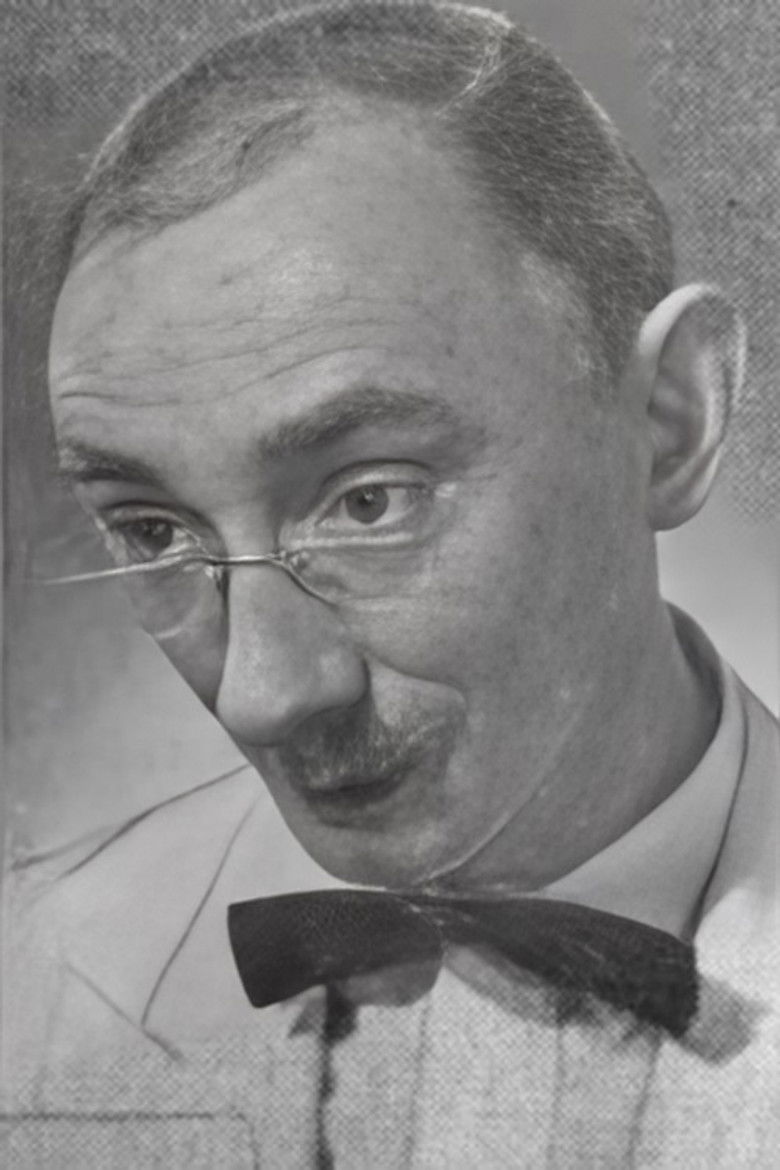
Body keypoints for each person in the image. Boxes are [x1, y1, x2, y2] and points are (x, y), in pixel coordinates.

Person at [3, 2, 778, 1166]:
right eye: (154, 529)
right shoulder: (32, 968)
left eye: (369, 500)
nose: (264, 693)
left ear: (668, 423)